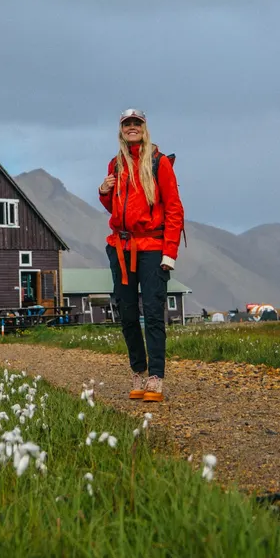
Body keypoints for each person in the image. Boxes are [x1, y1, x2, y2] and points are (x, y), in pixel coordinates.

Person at [99, 108, 184, 402]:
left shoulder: (159, 163)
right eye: (127, 124)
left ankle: (156, 377)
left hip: (152, 248)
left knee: (152, 311)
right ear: (121, 130)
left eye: (137, 123)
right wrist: (104, 192)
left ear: (144, 128)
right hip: (121, 247)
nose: (132, 127)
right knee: (127, 312)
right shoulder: (116, 164)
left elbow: (174, 209)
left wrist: (169, 253)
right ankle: (138, 371)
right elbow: (118, 210)